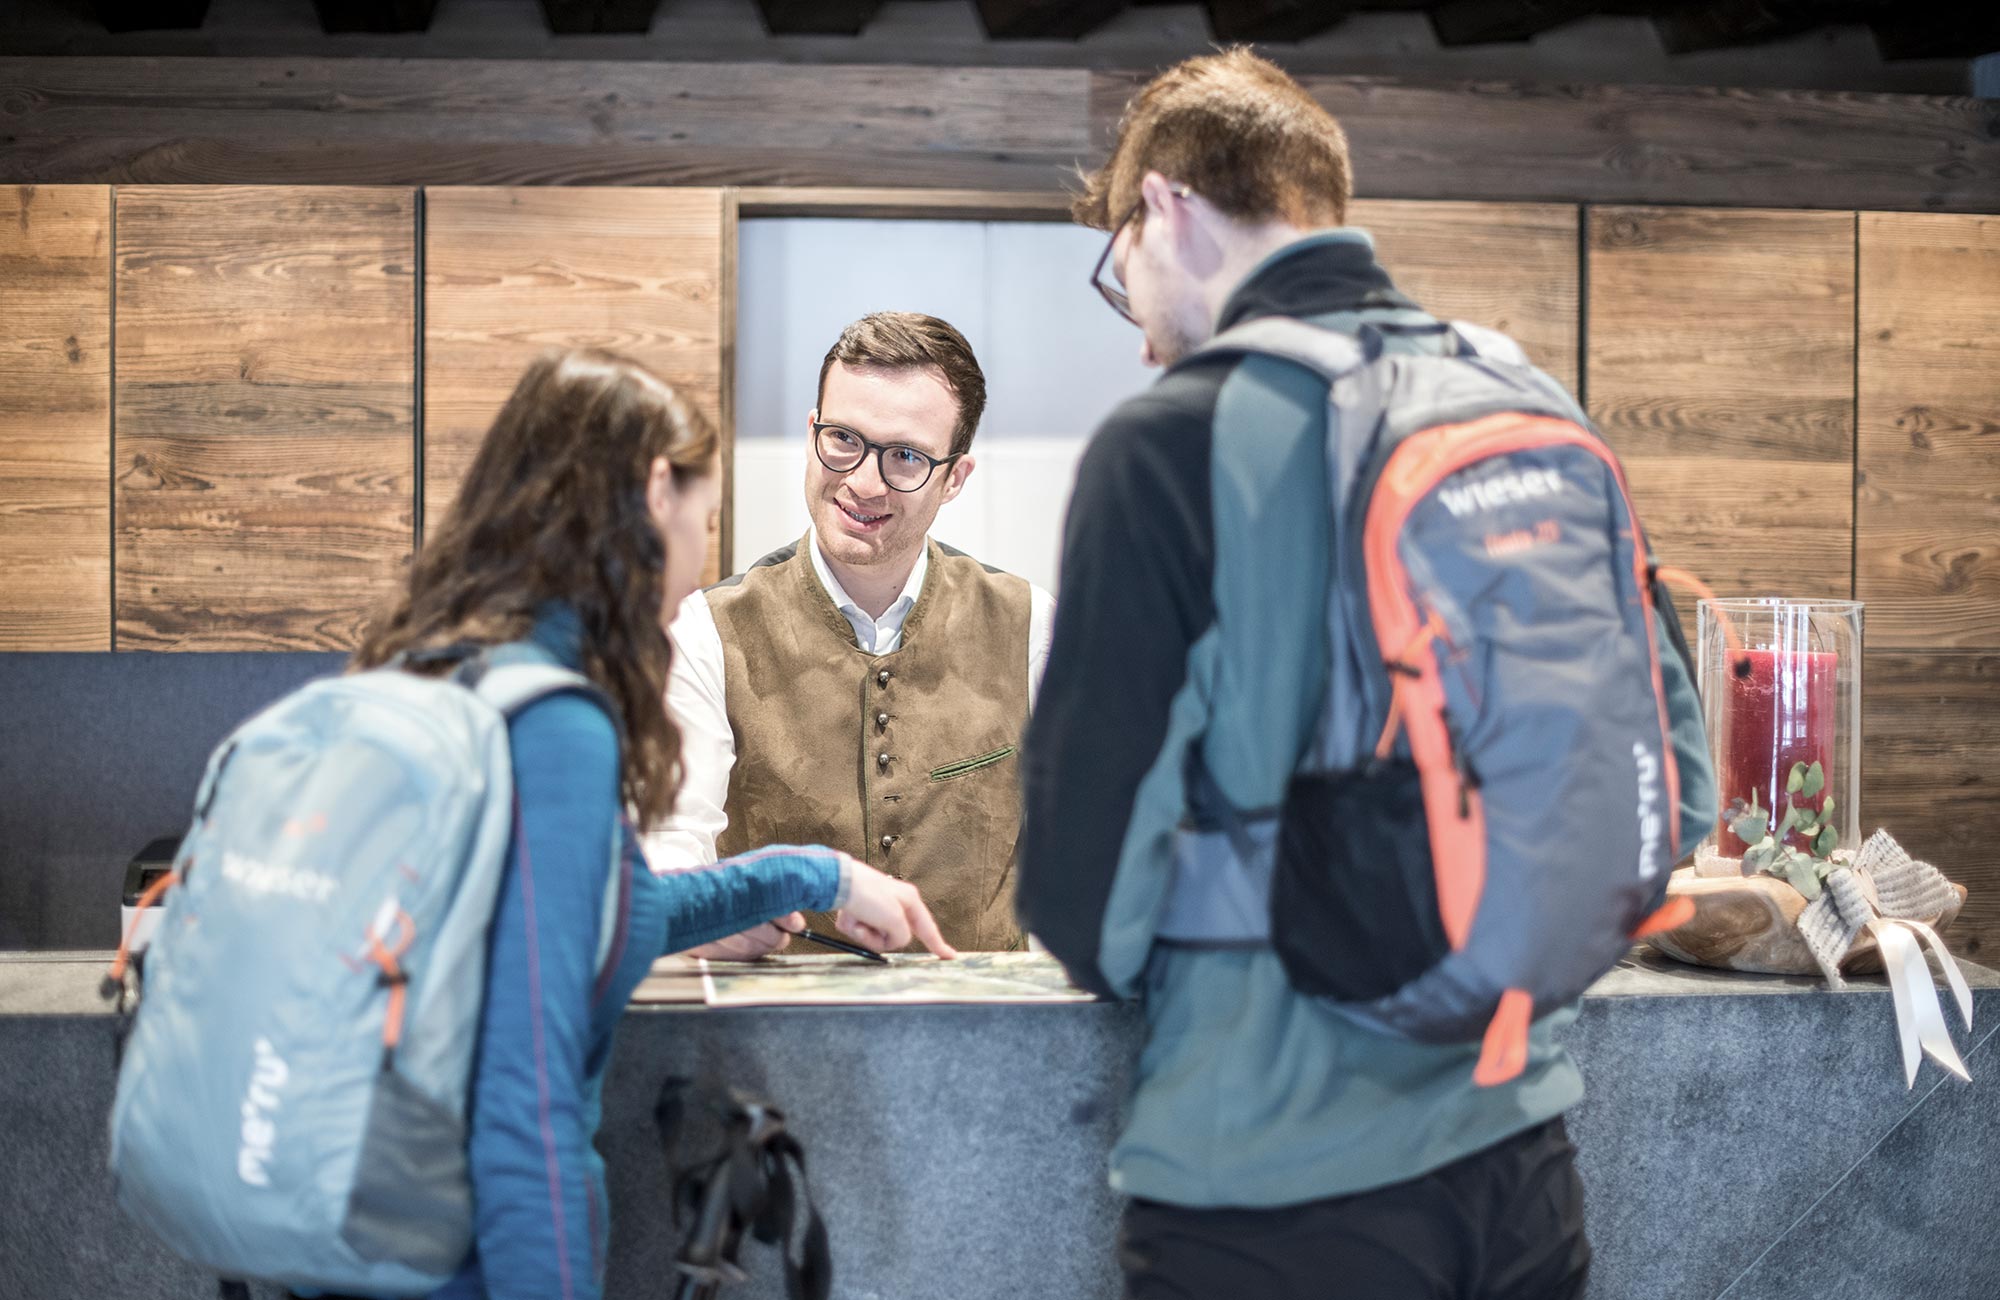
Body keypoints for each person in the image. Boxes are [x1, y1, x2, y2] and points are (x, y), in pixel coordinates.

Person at [1015, 50, 1714, 1300]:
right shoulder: (1525, 396)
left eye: (1116, 269)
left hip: (1270, 1196)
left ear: (1163, 207)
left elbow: (1080, 903)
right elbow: (1680, 782)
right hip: (1523, 1175)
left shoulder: (1171, 442)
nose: (1132, 331)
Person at [349, 348, 956, 1300]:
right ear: (652, 493)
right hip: (459, 1257)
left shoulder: (432, 666)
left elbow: (596, 914)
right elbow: (525, 1105)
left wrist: (815, 878)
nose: (697, 571)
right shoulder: (551, 722)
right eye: (702, 523)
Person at [645, 312, 1055, 956]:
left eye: (906, 457)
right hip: (773, 1037)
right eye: (843, 439)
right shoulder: (702, 633)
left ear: (955, 478)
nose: (863, 481)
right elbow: (671, 853)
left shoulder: (1033, 625)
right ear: (812, 432)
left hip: (985, 1036)